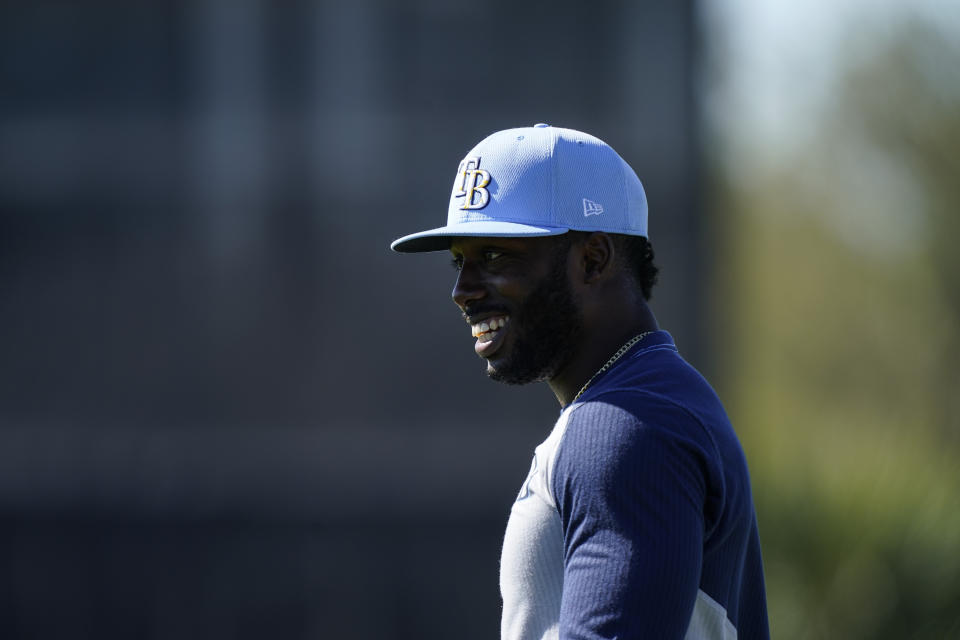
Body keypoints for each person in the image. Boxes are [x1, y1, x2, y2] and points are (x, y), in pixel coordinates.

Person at [391, 124, 769, 639]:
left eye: (496, 255)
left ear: (592, 259)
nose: (463, 290)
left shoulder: (625, 430)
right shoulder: (649, 401)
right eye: (461, 261)